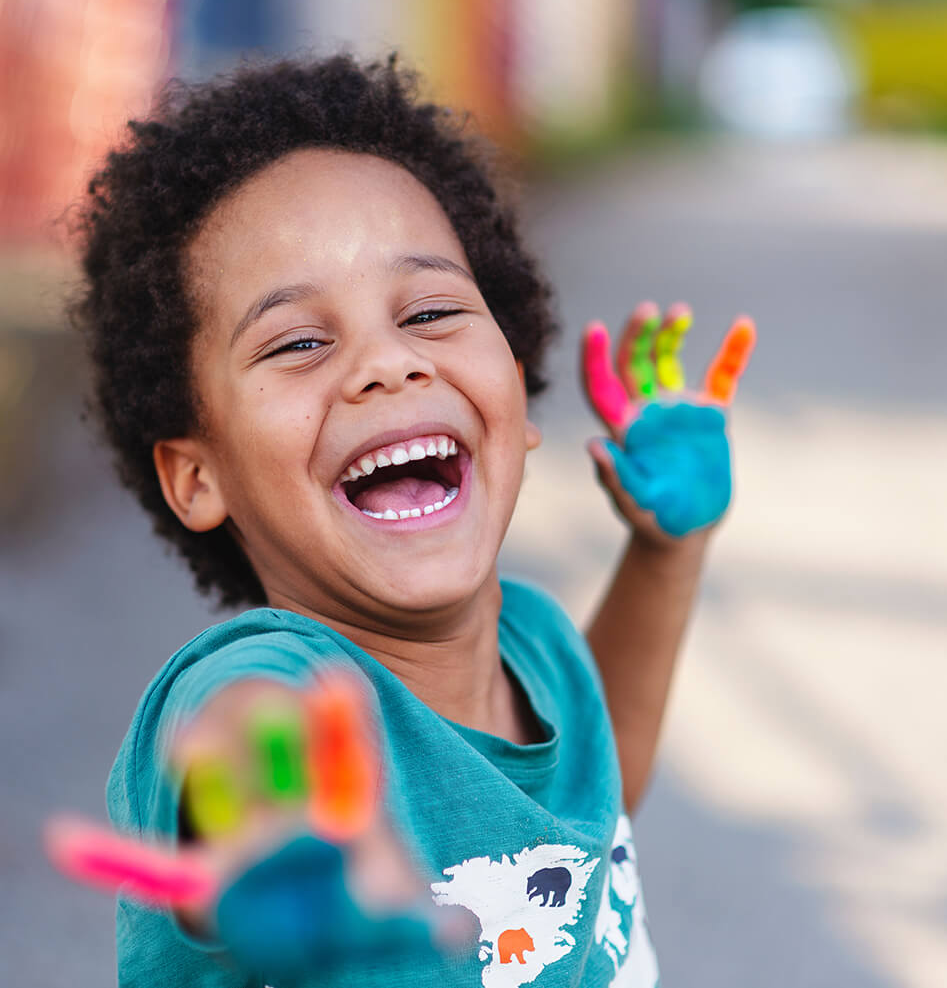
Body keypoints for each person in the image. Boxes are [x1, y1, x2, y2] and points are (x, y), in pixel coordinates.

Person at [70, 52, 752, 988]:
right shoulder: (268, 676)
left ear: (514, 379)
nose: (387, 364)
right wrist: (281, 840)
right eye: (300, 341)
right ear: (196, 474)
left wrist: (666, 552)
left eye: (430, 311)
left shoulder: (540, 644)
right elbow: (241, 730)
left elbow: (604, 783)